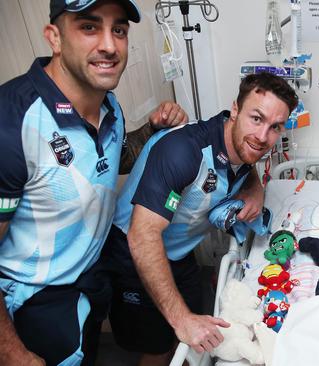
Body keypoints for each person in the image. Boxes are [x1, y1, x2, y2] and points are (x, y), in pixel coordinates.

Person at [0, 1, 190, 365]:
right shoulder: (13, 122)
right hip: (33, 302)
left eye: (118, 30)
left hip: (89, 277)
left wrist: (153, 130)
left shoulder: (109, 106)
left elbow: (115, 157)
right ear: (54, 37)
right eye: (89, 27)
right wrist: (10, 352)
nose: (109, 45)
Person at [103, 71, 298, 365]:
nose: (262, 136)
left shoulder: (240, 145)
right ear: (235, 109)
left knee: (196, 337)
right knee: (158, 346)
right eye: (256, 118)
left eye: (275, 127)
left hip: (179, 256)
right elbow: (142, 235)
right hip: (134, 253)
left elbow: (246, 161)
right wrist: (181, 320)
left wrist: (255, 190)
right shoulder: (183, 152)